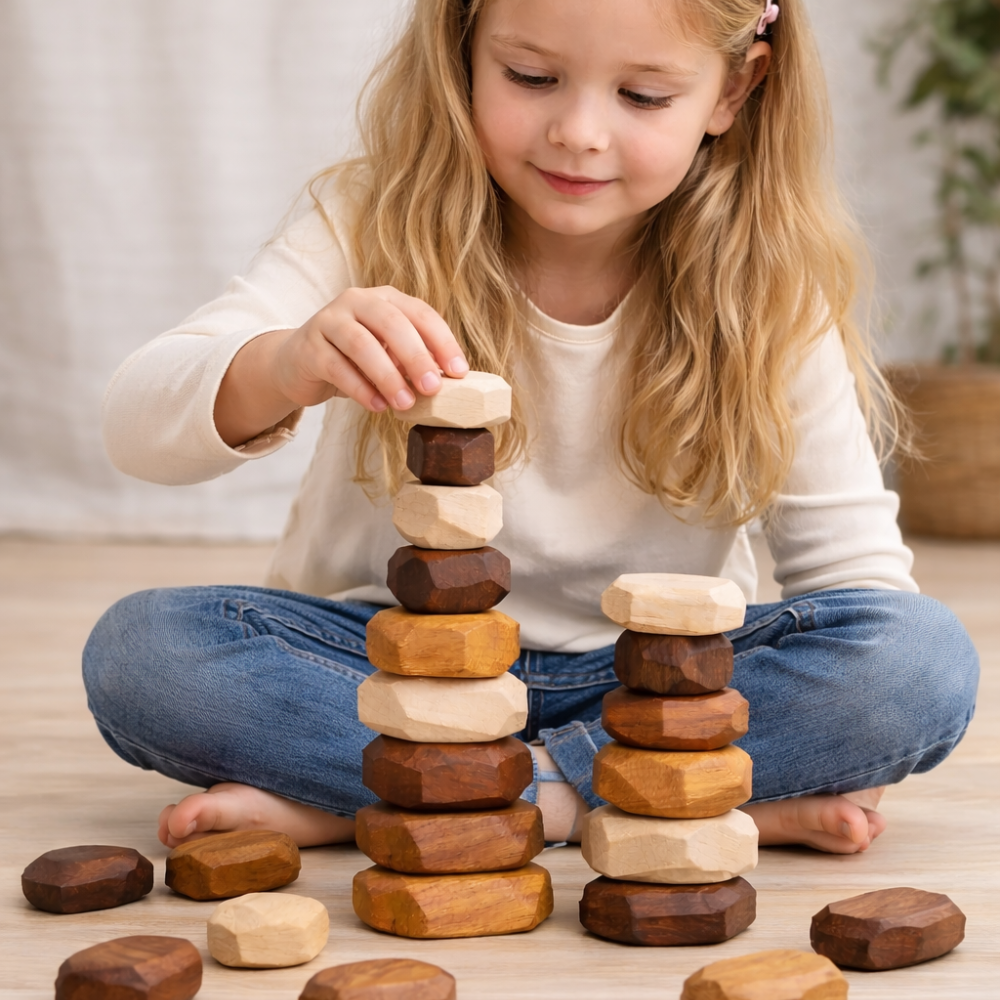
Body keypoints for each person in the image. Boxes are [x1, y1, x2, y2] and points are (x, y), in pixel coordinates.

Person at [84, 0, 978, 856]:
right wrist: (283, 365)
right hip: (385, 670)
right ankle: (645, 796)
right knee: (144, 655)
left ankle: (459, 797)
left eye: (642, 96)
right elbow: (136, 425)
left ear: (735, 92)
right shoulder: (369, 221)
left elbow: (862, 593)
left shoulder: (770, 291)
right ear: (464, 49)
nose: (579, 132)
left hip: (663, 684)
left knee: (921, 662)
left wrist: (859, 719)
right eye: (531, 76)